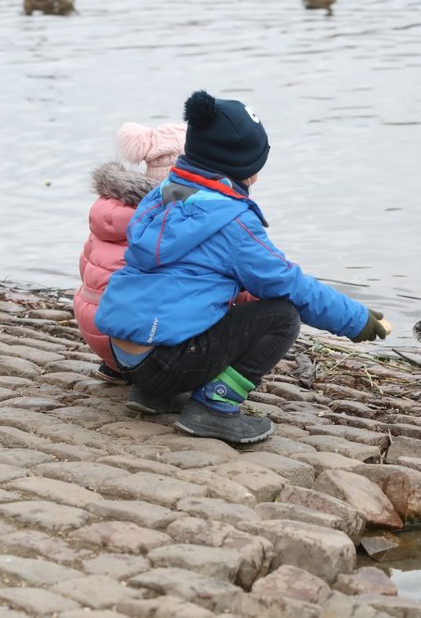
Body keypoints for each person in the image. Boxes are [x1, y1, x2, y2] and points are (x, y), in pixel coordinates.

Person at [95, 90, 388, 444]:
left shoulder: (162, 194)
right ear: (243, 166)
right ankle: (214, 409)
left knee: (202, 295)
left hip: (125, 358)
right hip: (166, 363)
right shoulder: (230, 221)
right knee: (281, 316)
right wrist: (356, 319)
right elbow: (288, 284)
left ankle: (154, 396)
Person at [73, 122, 187, 385]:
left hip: (94, 326)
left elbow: (85, 265)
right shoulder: (169, 214)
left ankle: (114, 367)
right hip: (132, 340)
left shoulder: (107, 209)